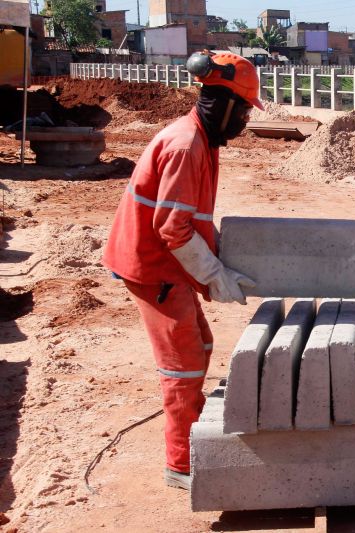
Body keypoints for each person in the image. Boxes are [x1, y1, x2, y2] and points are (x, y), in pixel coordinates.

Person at [102, 51, 263, 489]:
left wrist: (214, 265)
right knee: (183, 364)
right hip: (154, 266)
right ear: (226, 104)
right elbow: (172, 229)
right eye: (245, 108)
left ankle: (193, 426)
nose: (246, 119)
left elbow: (188, 221)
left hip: (165, 260)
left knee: (201, 344)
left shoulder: (202, 139)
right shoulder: (186, 145)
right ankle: (183, 465)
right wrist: (214, 275)